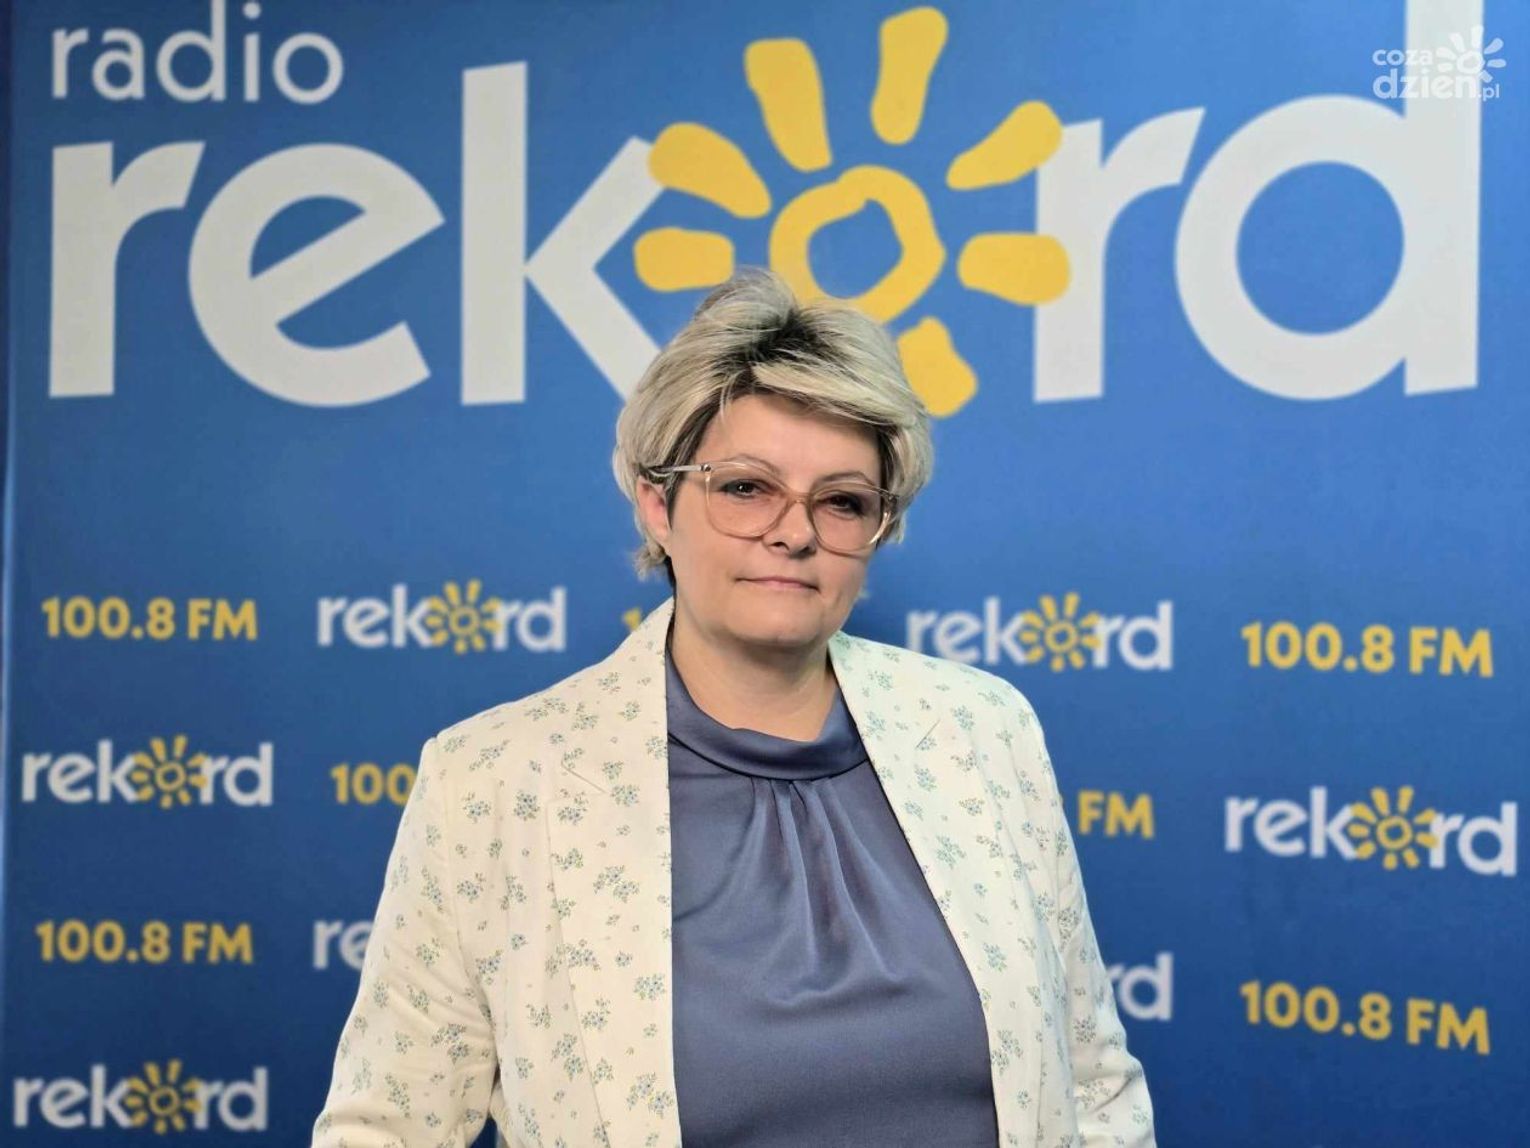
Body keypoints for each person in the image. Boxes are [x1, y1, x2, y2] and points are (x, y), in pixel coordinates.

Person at [311, 267, 1155, 1147]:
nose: (794, 532)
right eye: (746, 487)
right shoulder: (492, 781)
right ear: (657, 502)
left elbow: (1095, 1090)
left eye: (842, 502)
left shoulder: (982, 730)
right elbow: (385, 1129)